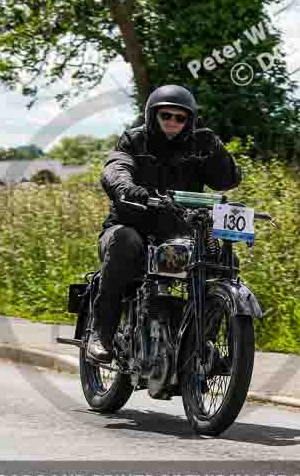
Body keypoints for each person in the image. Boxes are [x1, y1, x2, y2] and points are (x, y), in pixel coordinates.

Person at [87, 84, 242, 363]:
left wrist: (216, 151)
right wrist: (126, 188)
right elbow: (115, 167)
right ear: (152, 116)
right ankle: (102, 334)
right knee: (126, 242)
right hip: (131, 225)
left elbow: (227, 181)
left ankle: (202, 341)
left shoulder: (199, 146)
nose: (172, 122)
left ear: (190, 121)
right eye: (166, 116)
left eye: (180, 118)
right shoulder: (134, 141)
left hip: (177, 231)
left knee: (221, 259)